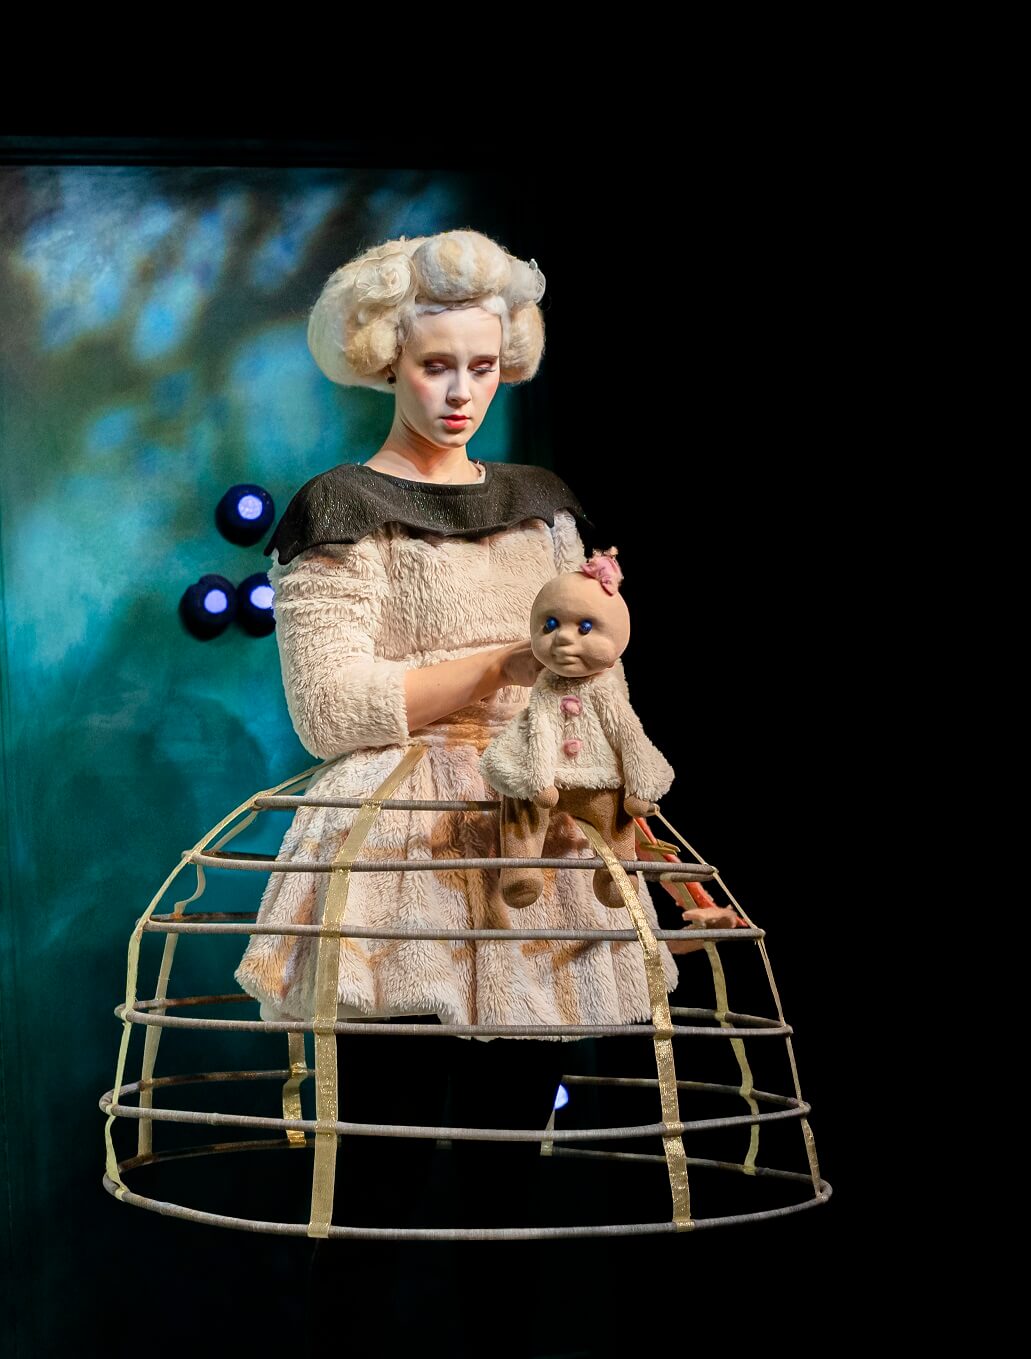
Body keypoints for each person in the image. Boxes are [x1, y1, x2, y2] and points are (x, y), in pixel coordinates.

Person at [233, 229, 684, 1235]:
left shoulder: (541, 508)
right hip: (403, 848)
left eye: (482, 366)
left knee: (510, 1176)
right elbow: (328, 708)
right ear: (388, 356)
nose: (460, 391)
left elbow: (593, 673)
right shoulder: (341, 507)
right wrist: (496, 667)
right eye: (436, 364)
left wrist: (619, 800)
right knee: (375, 1184)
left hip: (539, 827)